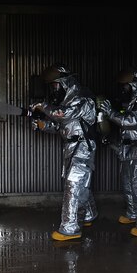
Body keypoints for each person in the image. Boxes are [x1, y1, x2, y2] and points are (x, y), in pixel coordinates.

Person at [30, 63, 98, 241]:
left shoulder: (81, 97)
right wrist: (43, 125)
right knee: (80, 183)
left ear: (65, 82)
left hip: (83, 146)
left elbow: (64, 114)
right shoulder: (66, 99)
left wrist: (42, 106)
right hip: (71, 147)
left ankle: (70, 228)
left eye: (54, 85)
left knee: (73, 185)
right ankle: (89, 215)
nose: (53, 90)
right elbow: (62, 125)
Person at [99, 68, 137, 237]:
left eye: (125, 86)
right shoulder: (133, 104)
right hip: (129, 151)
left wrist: (110, 113)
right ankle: (133, 214)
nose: (122, 89)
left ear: (135, 86)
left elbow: (130, 122)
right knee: (128, 184)